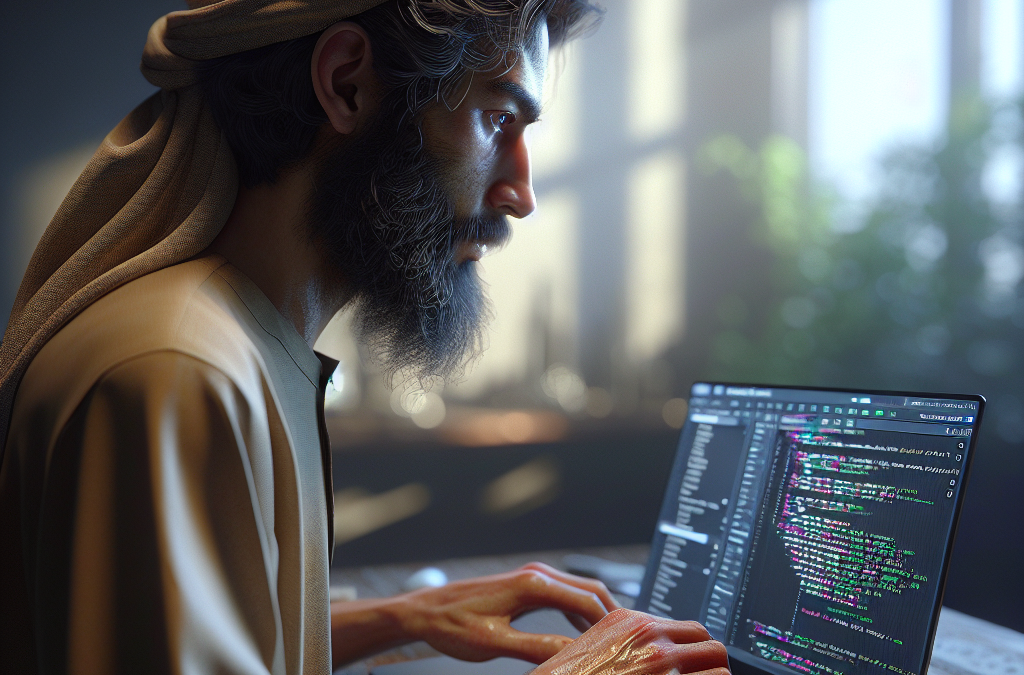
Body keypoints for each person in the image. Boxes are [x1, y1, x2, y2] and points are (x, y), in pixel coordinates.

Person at [0, 1, 731, 674]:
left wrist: (401, 614)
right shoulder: (178, 368)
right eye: (497, 120)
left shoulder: (224, 339)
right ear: (348, 83)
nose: (520, 191)